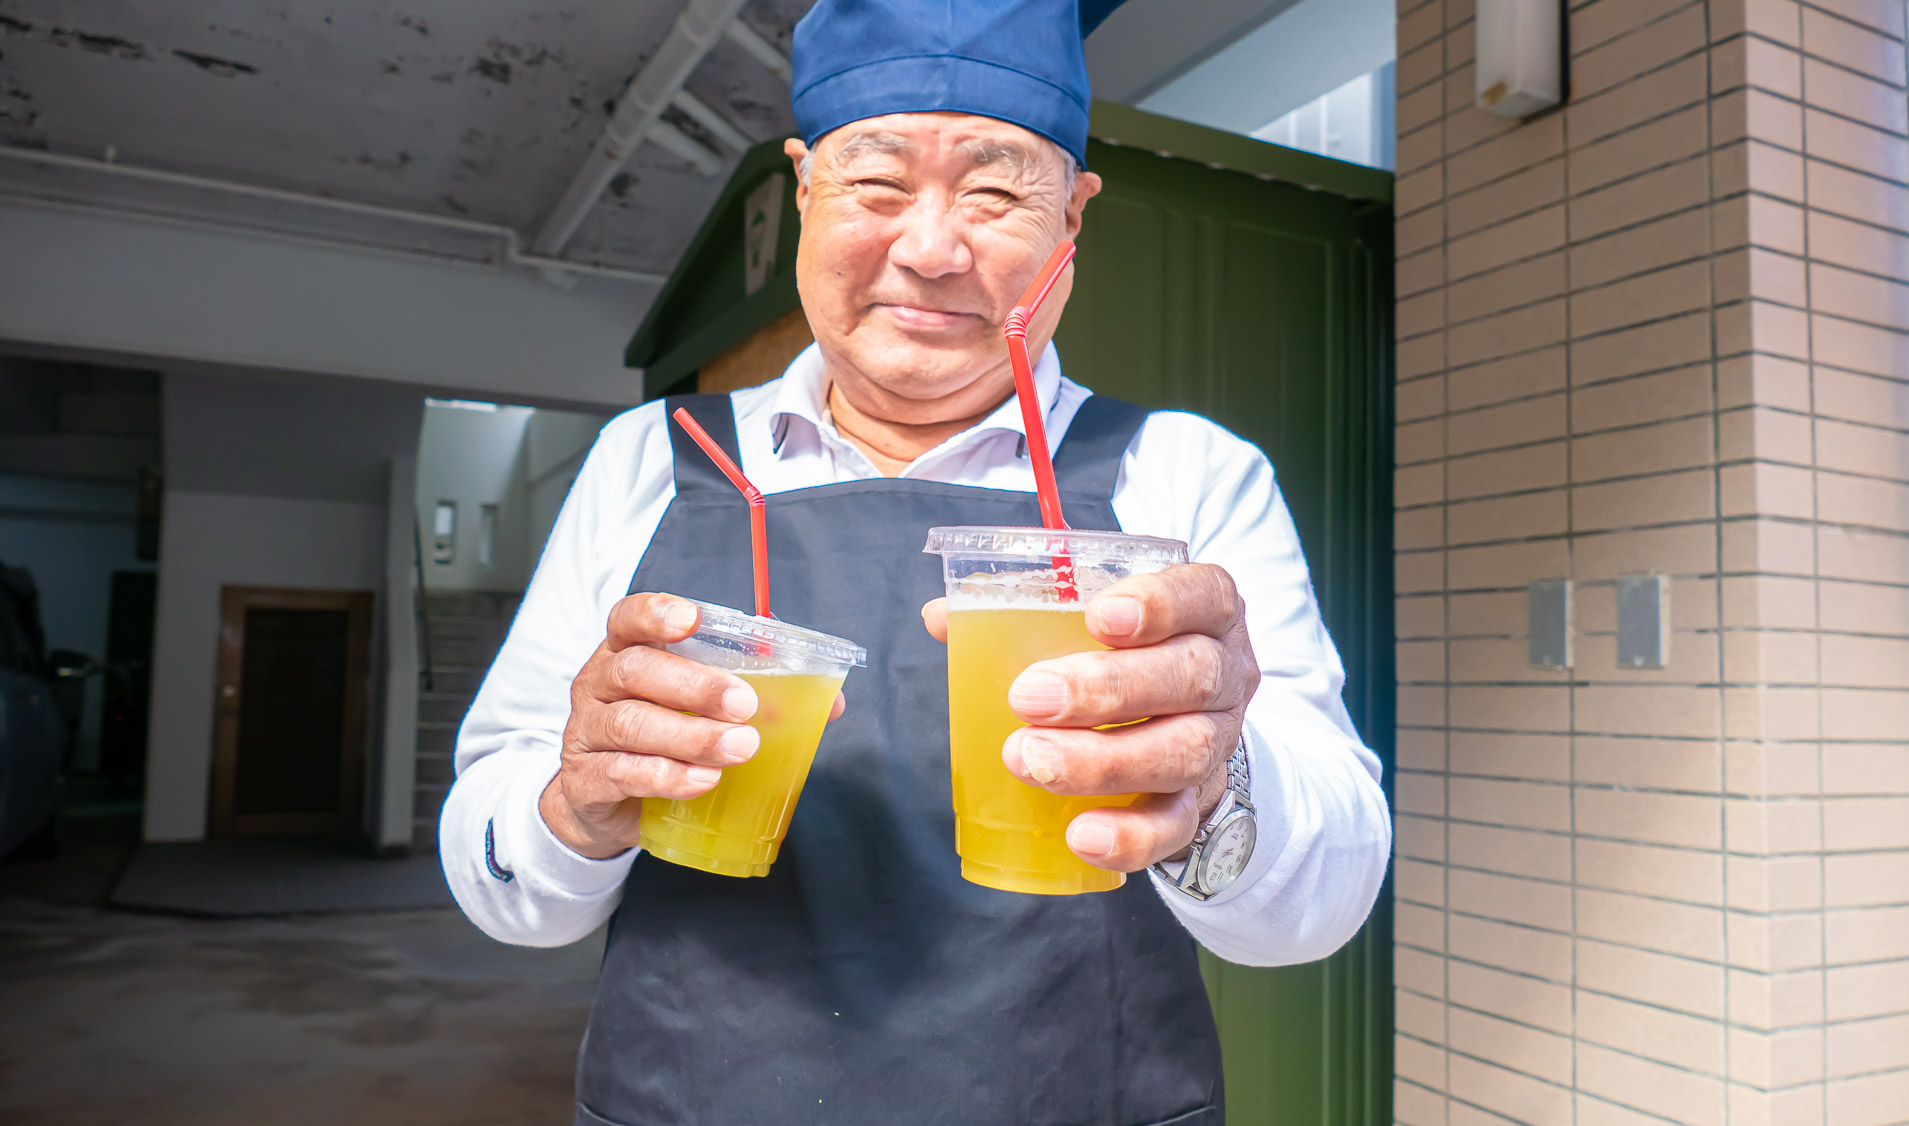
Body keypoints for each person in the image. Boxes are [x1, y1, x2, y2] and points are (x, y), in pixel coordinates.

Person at [441, 1, 1390, 1122]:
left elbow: (1320, 906)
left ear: (1073, 218)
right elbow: (501, 882)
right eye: (876, 186)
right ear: (802, 190)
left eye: (994, 193)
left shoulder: (1182, 473)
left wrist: (1213, 775)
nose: (931, 250)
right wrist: (574, 804)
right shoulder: (647, 460)